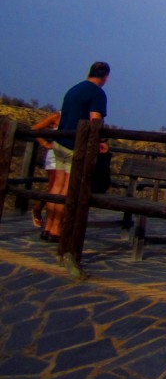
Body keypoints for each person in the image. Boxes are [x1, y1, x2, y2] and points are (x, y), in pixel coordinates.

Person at [44, 62, 110, 243]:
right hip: (75, 145)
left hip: (59, 141)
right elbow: (95, 121)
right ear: (106, 77)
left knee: (56, 186)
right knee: (67, 188)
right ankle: (58, 230)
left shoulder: (74, 90)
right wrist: (101, 141)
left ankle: (48, 226)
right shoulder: (97, 93)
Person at [28, 112, 60, 228]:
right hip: (54, 156)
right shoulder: (56, 116)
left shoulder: (79, 117)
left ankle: (53, 217)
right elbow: (35, 129)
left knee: (63, 188)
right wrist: (45, 143)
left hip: (69, 157)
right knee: (53, 186)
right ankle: (41, 211)